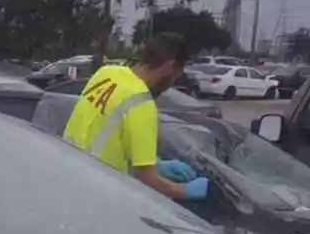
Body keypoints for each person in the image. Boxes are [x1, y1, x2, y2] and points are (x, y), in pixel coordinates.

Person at [61, 33, 209, 202]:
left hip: (69, 175)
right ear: (169, 66)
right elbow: (146, 179)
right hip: (98, 193)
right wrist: (186, 190)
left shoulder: (106, 73)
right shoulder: (141, 102)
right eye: (175, 77)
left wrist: (154, 163)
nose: (170, 85)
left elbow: (103, 128)